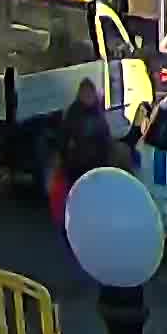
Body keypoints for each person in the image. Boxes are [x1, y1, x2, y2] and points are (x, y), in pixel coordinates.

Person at [47, 79, 118, 226]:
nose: (87, 97)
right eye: (84, 94)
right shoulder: (74, 113)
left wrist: (106, 163)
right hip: (76, 166)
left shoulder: (97, 114)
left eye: (89, 94)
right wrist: (64, 159)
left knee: (91, 198)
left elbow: (105, 140)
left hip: (94, 166)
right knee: (76, 197)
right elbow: (64, 138)